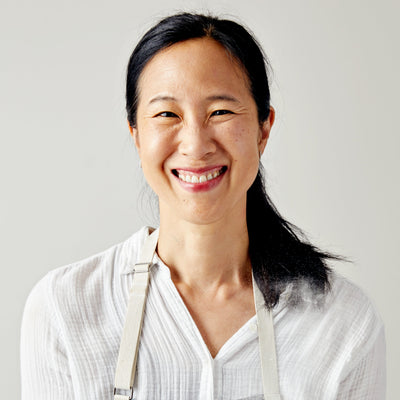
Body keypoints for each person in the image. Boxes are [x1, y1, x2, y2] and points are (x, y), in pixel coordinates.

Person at [20, 12, 386, 400]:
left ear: (263, 129)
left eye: (220, 112)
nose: (196, 146)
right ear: (136, 135)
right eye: (167, 114)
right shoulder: (65, 308)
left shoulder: (343, 324)